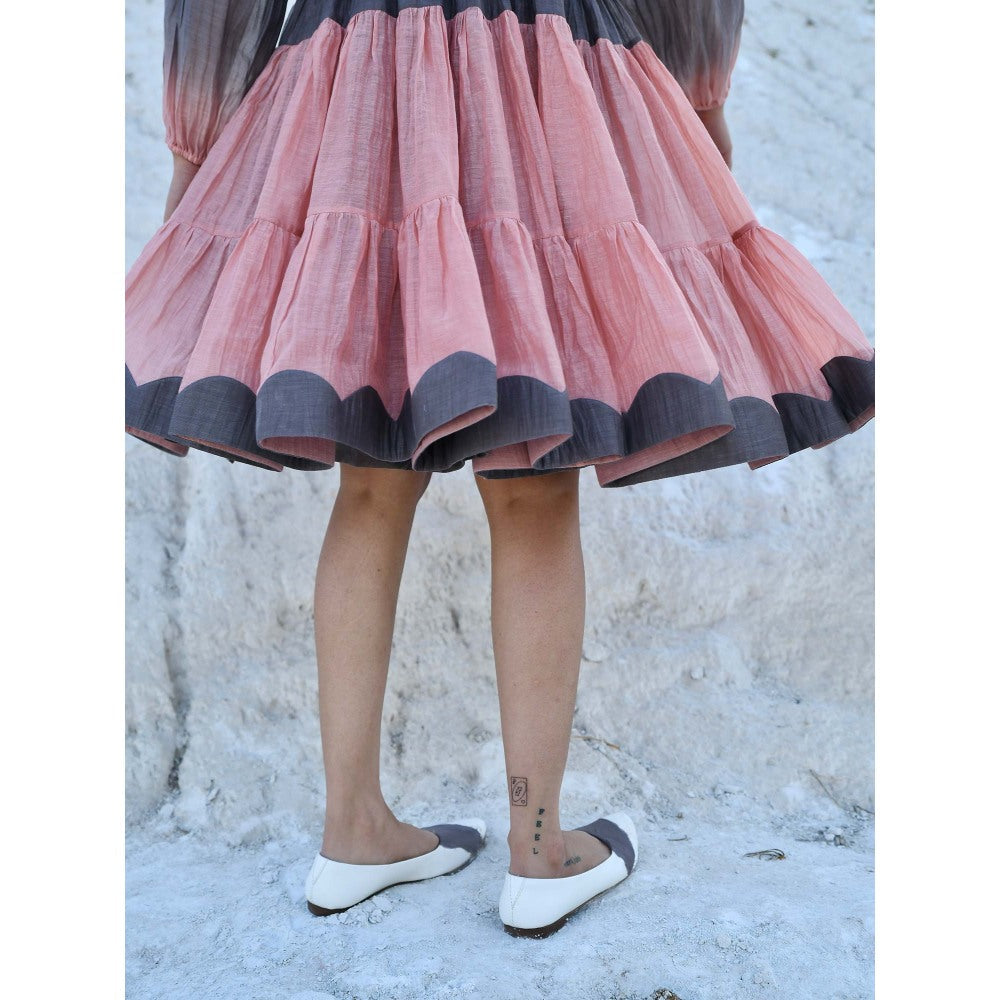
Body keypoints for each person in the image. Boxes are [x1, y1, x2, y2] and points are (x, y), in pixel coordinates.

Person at [125, 0, 875, 938]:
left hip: (360, 78)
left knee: (372, 474)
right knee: (533, 480)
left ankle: (352, 831)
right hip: (543, 72)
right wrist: (697, 91)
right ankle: (539, 847)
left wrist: (200, 140)